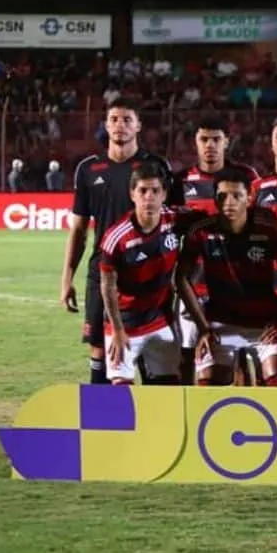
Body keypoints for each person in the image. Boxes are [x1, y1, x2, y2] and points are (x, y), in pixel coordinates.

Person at [61, 97, 179, 384]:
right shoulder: (88, 169)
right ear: (105, 125)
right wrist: (67, 278)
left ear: (138, 126)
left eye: (127, 120)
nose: (120, 126)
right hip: (103, 272)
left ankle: (153, 422)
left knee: (155, 352)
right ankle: (103, 423)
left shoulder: (155, 166)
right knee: (102, 350)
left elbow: (175, 219)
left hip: (151, 276)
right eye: (114, 119)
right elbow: (79, 230)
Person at [176, 167, 277, 386]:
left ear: (249, 198)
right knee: (207, 387)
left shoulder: (268, 229)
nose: (229, 202)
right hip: (220, 323)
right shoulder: (201, 232)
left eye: (236, 196)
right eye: (222, 196)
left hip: (263, 324)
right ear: (215, 200)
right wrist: (203, 328)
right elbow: (181, 278)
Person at [177, 117, 260, 382]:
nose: (210, 145)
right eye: (204, 140)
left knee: (242, 356)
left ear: (226, 142)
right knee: (188, 351)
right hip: (195, 284)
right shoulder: (181, 182)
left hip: (240, 284)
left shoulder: (247, 177)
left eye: (216, 140)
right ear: (196, 143)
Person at [96, 164, 188, 385]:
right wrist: (117, 330)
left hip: (159, 320)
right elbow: (107, 285)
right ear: (132, 194)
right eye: (143, 191)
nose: (149, 198)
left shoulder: (175, 220)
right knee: (121, 393)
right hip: (125, 324)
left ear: (164, 194)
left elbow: (209, 220)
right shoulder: (116, 237)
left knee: (168, 389)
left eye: (155, 191)